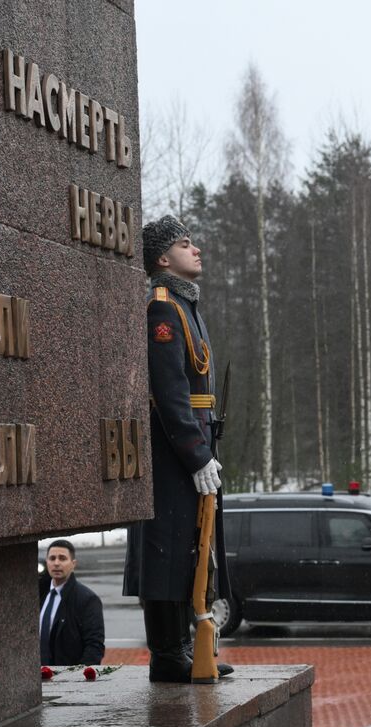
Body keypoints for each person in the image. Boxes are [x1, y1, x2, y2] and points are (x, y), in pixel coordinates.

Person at [123, 215, 233, 683]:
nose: (197, 249)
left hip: (195, 433)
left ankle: (187, 647)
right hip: (172, 448)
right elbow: (168, 392)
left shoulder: (186, 305)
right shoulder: (162, 308)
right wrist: (195, 452)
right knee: (167, 547)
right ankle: (169, 654)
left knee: (192, 545)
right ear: (163, 259)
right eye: (186, 244)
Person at [39, 539, 105, 666]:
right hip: (37, 678)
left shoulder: (87, 599)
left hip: (68, 679)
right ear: (47, 562)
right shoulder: (38, 592)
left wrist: (77, 678)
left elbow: (94, 646)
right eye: (52, 558)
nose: (56, 563)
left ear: (73, 563)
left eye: (62, 558)